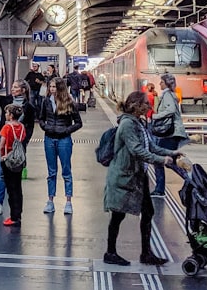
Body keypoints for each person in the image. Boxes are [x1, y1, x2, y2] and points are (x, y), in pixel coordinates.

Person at [103, 91, 187, 266]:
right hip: (123, 176)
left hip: (136, 175)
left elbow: (151, 146)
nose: (149, 107)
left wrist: (171, 153)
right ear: (136, 106)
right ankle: (110, 253)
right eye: (146, 104)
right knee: (118, 215)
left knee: (148, 212)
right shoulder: (127, 124)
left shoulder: (138, 123)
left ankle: (146, 253)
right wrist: (161, 160)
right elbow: (136, 150)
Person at [38, 77, 83, 214]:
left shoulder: (70, 103)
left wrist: (66, 130)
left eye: (54, 87)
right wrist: (46, 127)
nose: (51, 89)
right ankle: (50, 201)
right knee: (51, 172)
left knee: (66, 171)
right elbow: (41, 118)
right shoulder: (46, 102)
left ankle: (68, 202)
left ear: (60, 88)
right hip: (49, 139)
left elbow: (78, 123)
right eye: (50, 87)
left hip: (64, 140)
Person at [0, 81, 35, 216]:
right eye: (12, 87)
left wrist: (24, 142)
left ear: (23, 90)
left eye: (16, 87)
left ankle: (16, 210)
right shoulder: (7, 101)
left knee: (15, 178)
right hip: (5, 145)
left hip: (17, 148)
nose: (12, 89)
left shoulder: (29, 107)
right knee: (2, 174)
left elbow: (30, 127)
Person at [149, 73, 189, 197]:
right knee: (163, 160)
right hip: (172, 132)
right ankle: (160, 188)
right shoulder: (170, 94)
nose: (159, 84)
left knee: (166, 161)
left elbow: (170, 110)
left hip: (170, 133)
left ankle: (190, 179)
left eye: (161, 82)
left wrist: (155, 116)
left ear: (166, 83)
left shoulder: (166, 94)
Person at [0, 105, 27, 227]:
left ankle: (13, 217)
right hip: (18, 160)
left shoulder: (7, 127)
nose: (6, 115)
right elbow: (22, 139)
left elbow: (2, 144)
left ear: (11, 115)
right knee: (18, 188)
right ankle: (18, 214)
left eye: (7, 113)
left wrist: (2, 156)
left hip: (8, 160)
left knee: (10, 189)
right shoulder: (21, 127)